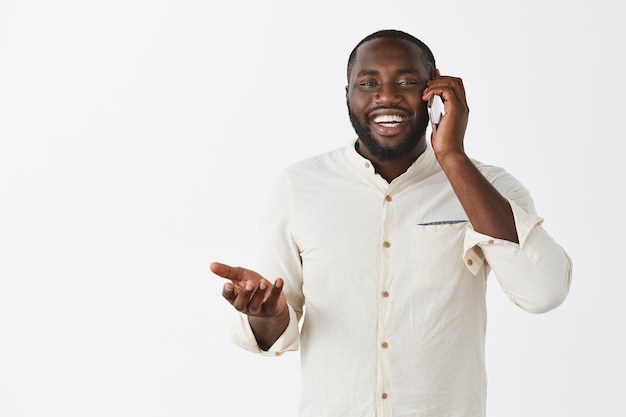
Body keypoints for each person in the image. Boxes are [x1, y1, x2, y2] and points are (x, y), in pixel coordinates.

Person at [210, 29, 572, 417]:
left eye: (407, 81)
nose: (386, 95)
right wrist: (267, 313)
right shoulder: (299, 186)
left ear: (435, 90)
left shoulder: (488, 186)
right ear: (347, 96)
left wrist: (452, 156)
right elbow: (280, 323)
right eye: (368, 83)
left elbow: (544, 291)